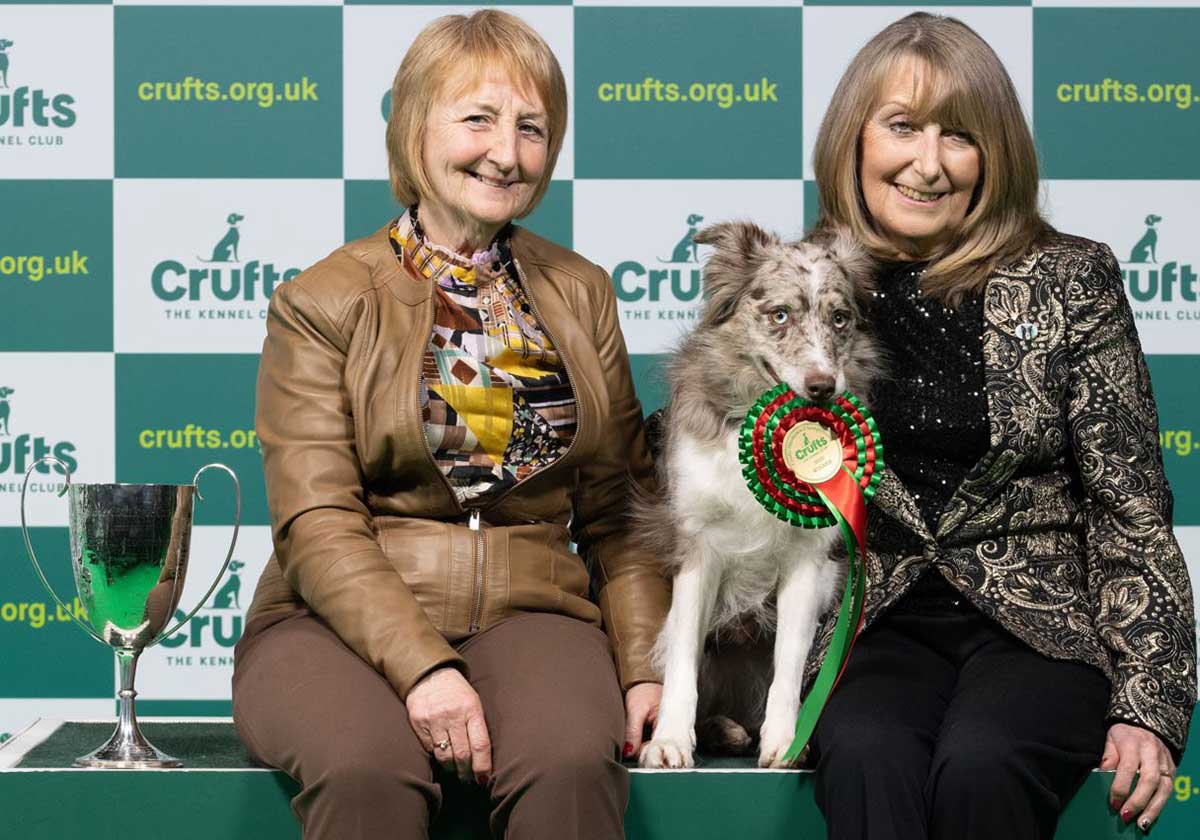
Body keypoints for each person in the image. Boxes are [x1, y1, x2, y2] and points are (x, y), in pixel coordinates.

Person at [231, 10, 668, 839]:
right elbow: (317, 521)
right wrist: (425, 666)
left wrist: (649, 666)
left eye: (532, 128)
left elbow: (620, 510)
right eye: (478, 119)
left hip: (534, 610)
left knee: (572, 764)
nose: (507, 152)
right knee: (367, 768)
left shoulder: (582, 291)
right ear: (412, 127)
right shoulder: (322, 300)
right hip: (332, 622)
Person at [802, 12, 1196, 840]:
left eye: (961, 136)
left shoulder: (1069, 279)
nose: (929, 163)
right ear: (854, 140)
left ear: (996, 155)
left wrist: (1150, 705)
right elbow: (729, 472)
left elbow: (1129, 508)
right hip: (874, 623)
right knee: (868, 753)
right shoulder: (804, 285)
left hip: (1039, 630)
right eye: (902, 127)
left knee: (983, 765)